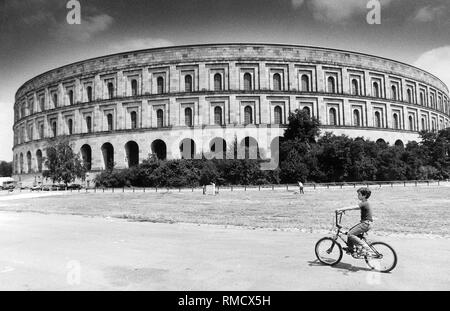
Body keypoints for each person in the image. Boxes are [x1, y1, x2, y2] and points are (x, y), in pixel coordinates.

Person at [336, 187, 373, 255]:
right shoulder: (365, 203)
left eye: (359, 194)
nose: (358, 196)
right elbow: (355, 209)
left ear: (364, 196)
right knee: (350, 231)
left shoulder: (364, 203)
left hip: (365, 224)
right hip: (366, 223)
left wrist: (341, 209)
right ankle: (350, 249)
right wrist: (344, 210)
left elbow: (353, 207)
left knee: (350, 234)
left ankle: (365, 247)